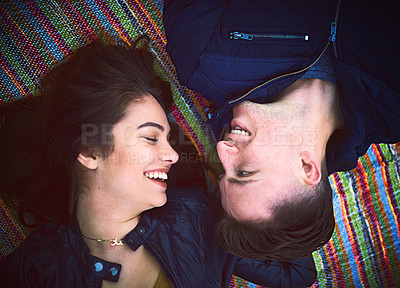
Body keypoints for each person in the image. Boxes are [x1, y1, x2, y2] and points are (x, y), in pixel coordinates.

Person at [0, 38, 317, 287]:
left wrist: (255, 179)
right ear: (89, 152)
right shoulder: (37, 270)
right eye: (151, 138)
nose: (173, 154)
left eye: (167, 139)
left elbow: (294, 272)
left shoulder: (194, 216)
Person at [163, 0, 400, 260]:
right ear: (307, 168)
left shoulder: (203, 58)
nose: (221, 149)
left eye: (223, 171)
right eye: (243, 171)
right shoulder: (393, 106)